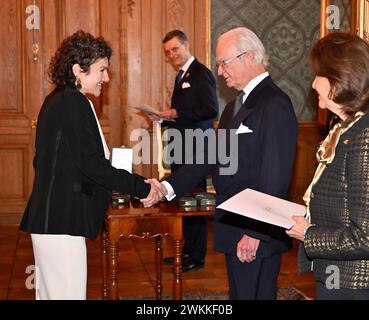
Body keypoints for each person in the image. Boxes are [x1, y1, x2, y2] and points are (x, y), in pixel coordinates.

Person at [143, 27, 298, 299]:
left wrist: (255, 233)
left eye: (223, 63)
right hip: (234, 227)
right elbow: (208, 156)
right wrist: (165, 188)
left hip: (254, 233)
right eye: (218, 64)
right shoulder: (233, 106)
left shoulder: (275, 104)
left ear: (248, 57)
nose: (220, 71)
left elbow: (275, 179)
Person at [19, 30, 163, 300]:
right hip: (61, 222)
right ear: (77, 69)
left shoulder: (59, 100)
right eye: (102, 70)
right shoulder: (73, 102)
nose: (106, 78)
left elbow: (49, 161)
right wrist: (141, 187)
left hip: (54, 220)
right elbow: (91, 164)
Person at [286, 32, 369, 300]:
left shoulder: (364, 136)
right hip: (337, 274)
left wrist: (309, 234)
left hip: (353, 283)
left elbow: (365, 236)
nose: (312, 84)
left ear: (339, 79)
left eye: (318, 76)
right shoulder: (346, 128)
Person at [148, 30, 219, 272]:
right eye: (168, 52)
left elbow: (211, 110)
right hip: (182, 147)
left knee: (195, 204)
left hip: (197, 149)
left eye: (175, 49)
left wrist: (175, 113)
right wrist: (162, 119)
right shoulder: (182, 75)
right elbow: (186, 114)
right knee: (184, 201)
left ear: (186, 45)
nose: (172, 55)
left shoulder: (201, 73)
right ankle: (186, 251)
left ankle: (196, 256)